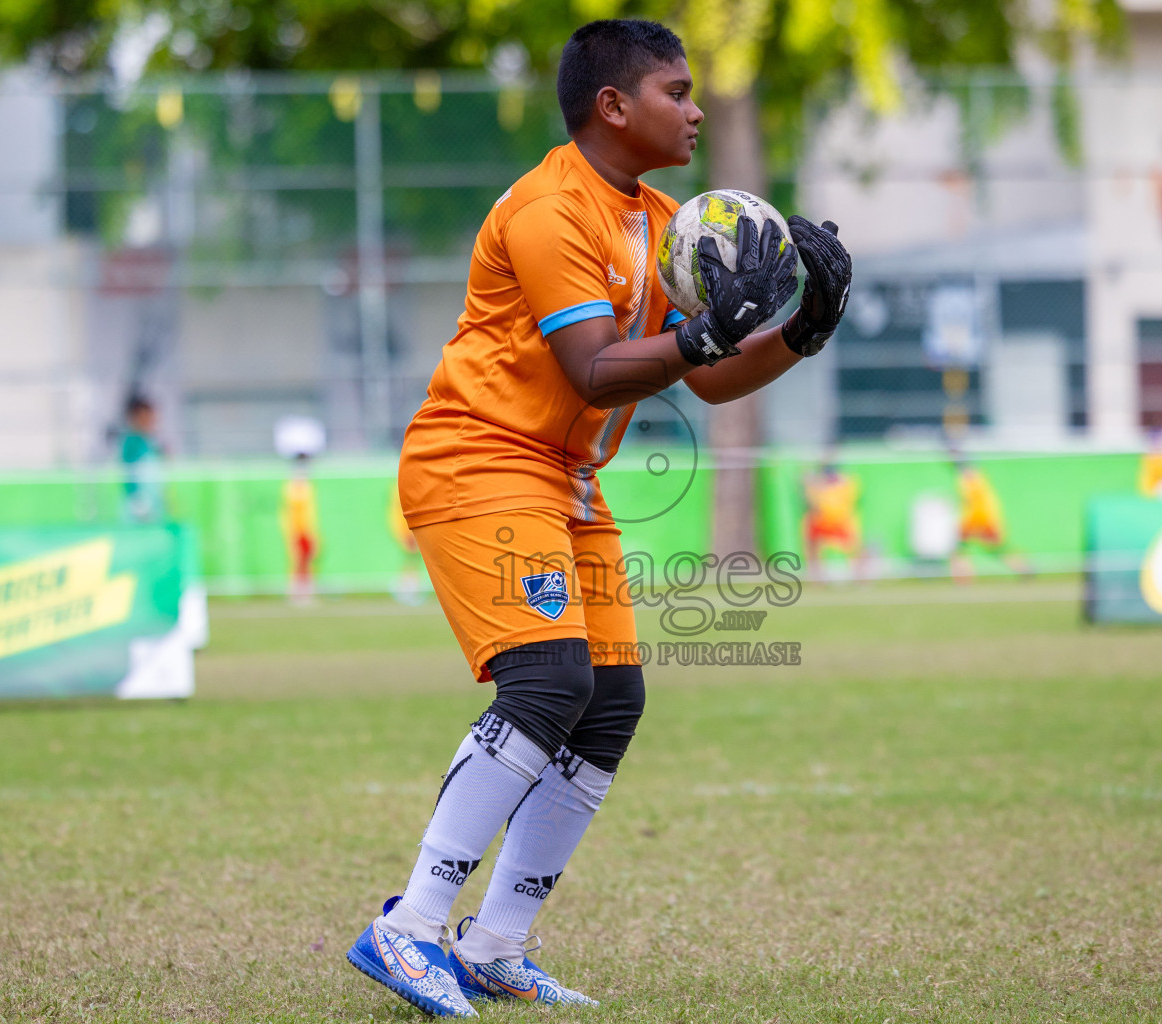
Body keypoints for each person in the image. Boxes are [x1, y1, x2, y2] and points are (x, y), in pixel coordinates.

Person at [344, 20, 852, 1017]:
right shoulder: (546, 208)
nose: (697, 108)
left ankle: (495, 943)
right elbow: (593, 367)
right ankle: (407, 928)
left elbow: (703, 383)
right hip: (480, 457)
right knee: (547, 680)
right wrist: (705, 330)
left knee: (610, 701)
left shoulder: (660, 219)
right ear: (613, 106)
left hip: (565, 476)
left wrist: (799, 331)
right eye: (677, 90)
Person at [802, 462, 862, 577]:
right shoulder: (817, 486)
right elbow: (811, 501)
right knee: (813, 547)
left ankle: (858, 576)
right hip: (821, 521)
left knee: (853, 549)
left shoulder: (844, 484)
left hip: (839, 521)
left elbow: (851, 494)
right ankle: (817, 577)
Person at [281, 454, 320, 606]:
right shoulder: (293, 488)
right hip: (298, 530)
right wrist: (297, 531)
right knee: (299, 561)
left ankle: (306, 593)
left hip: (306, 529)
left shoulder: (307, 486)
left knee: (307, 562)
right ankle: (297, 593)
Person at [119, 394, 164, 523]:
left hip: (153, 503)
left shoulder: (150, 442)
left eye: (150, 417)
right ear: (134, 418)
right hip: (139, 506)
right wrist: (139, 503)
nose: (149, 421)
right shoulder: (131, 443)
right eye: (144, 418)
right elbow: (129, 476)